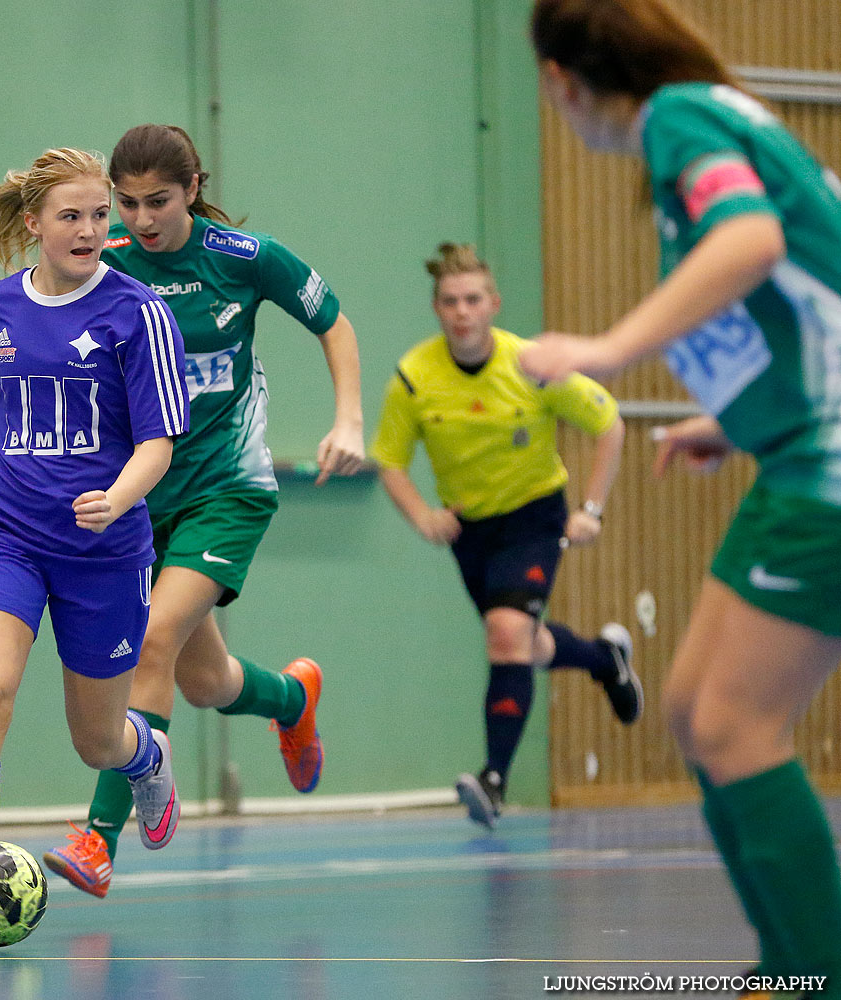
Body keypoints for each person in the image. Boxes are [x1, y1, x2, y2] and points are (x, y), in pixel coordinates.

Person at [522, 1, 841, 992]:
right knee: (697, 709)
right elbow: (803, 281)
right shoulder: (715, 117)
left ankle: (817, 974)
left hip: (826, 465)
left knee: (734, 724)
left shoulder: (680, 119)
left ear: (563, 81)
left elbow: (746, 243)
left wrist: (611, 349)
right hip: (798, 451)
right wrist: (733, 417)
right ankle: (786, 966)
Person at [43, 123, 366, 898]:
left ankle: (99, 837)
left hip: (228, 486)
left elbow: (335, 324)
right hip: (139, 498)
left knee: (149, 641)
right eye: (126, 204)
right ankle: (292, 698)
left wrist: (349, 418)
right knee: (204, 679)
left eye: (158, 201)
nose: (141, 219)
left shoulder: (242, 260)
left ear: (192, 190)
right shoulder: (106, 267)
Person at [0, 147, 189, 948]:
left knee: (95, 738)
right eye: (73, 216)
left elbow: (159, 443)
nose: (92, 230)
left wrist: (117, 500)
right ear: (34, 224)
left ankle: (144, 758)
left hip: (104, 549)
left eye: (101, 216)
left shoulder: (138, 313)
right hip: (5, 531)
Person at [370, 242, 641, 830]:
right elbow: (389, 460)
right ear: (437, 309)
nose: (462, 311)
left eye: (472, 300)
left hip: (535, 517)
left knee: (507, 633)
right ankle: (604, 658)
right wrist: (423, 516)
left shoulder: (530, 365)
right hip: (471, 531)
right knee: (524, 643)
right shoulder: (415, 378)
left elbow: (609, 423)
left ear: (493, 304)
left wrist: (591, 509)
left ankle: (494, 779)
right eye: (449, 302)